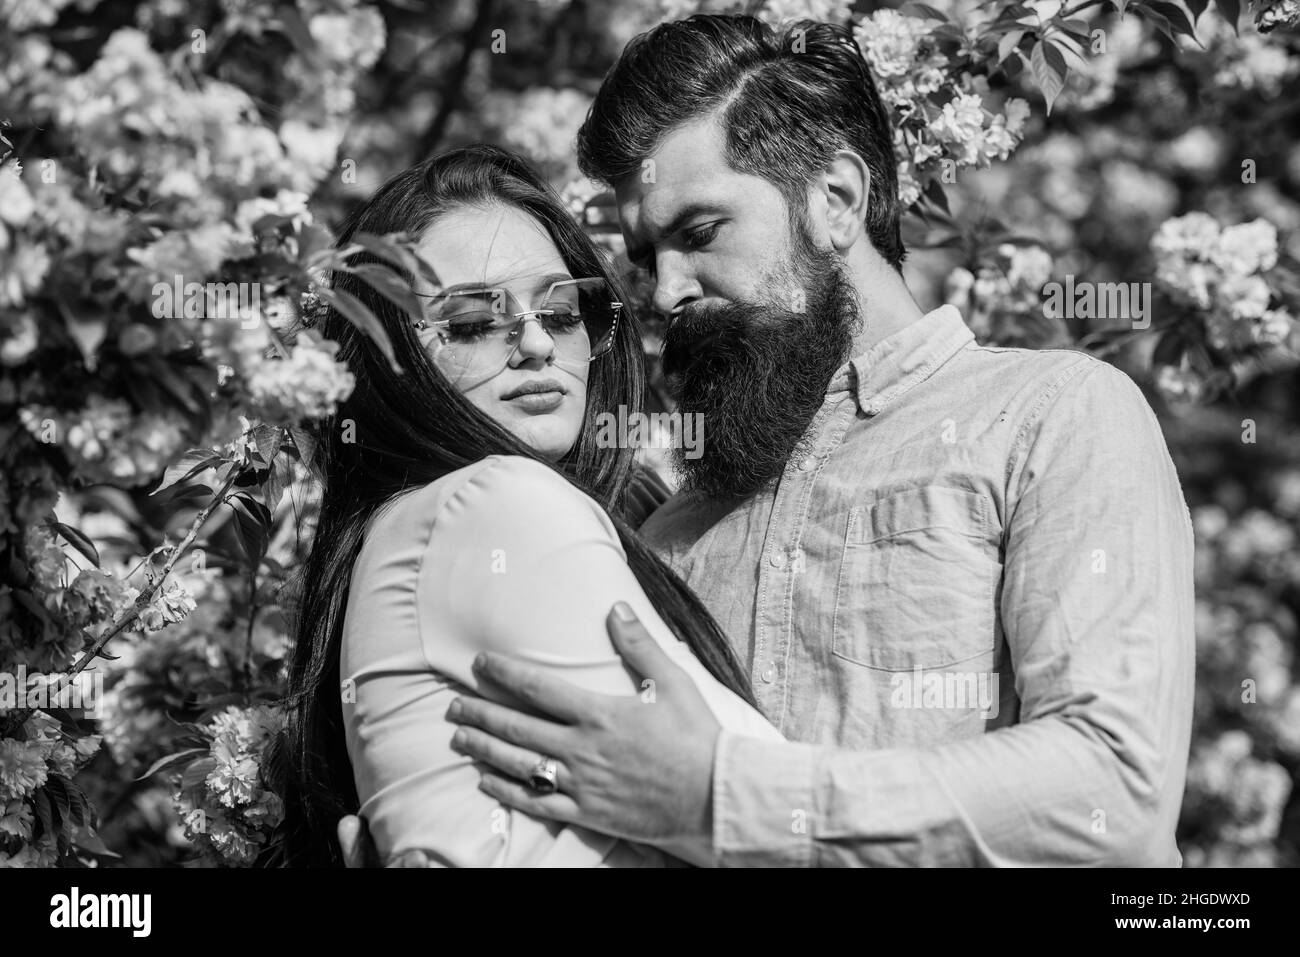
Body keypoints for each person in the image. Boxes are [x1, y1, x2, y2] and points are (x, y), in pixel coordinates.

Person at [427, 14, 1197, 867]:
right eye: (649, 257)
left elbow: (1113, 794)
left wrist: (723, 798)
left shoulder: (1054, 415)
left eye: (700, 233)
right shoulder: (662, 534)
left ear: (835, 199)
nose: (668, 290)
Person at [280, 144, 783, 868]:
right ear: (386, 359)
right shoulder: (497, 501)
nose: (539, 343)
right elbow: (781, 823)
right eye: (473, 323)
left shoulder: (406, 530)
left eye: (559, 308)